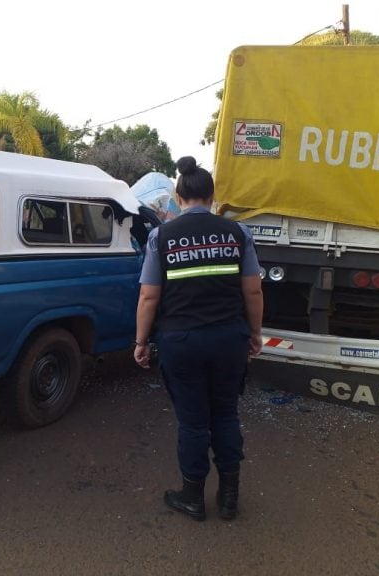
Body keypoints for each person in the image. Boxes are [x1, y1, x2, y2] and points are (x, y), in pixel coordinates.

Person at [134, 156, 263, 521]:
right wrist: (254, 334)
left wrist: (141, 342)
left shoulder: (162, 236)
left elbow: (149, 296)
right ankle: (229, 498)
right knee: (225, 415)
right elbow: (253, 292)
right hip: (229, 339)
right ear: (212, 194)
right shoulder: (238, 233)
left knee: (193, 422)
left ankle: (192, 497)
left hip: (182, 341)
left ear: (178, 195)